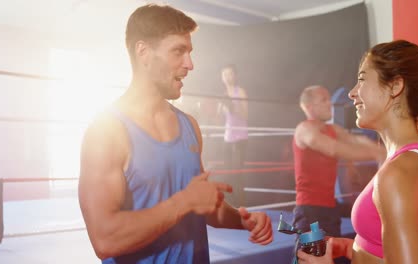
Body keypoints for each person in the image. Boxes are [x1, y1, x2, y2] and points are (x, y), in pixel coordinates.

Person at [78, 4, 273, 264]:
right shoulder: (107, 131)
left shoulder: (188, 126)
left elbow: (201, 207)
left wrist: (243, 220)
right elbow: (105, 239)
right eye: (178, 52)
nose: (190, 64)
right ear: (144, 52)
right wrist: (184, 202)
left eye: (189, 52)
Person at [297, 39, 418, 264]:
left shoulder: (399, 174)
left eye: (361, 80)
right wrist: (353, 248)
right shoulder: (414, 162)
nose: (352, 93)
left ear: (395, 87)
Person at [293, 85, 385, 238]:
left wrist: (384, 150)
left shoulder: (332, 129)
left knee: (331, 257)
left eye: (329, 99)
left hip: (330, 208)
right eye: (324, 100)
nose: (330, 103)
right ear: (310, 107)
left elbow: (356, 139)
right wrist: (377, 154)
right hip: (310, 209)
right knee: (310, 259)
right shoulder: (304, 129)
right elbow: (332, 149)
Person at [218, 64, 249, 206]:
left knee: (237, 174)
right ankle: (230, 206)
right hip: (227, 137)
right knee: (227, 173)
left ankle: (241, 207)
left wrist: (232, 106)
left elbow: (245, 115)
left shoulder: (240, 92)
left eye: (230, 74)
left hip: (240, 137)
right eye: (225, 74)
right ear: (222, 77)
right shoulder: (223, 94)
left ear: (234, 76)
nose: (227, 77)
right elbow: (219, 118)